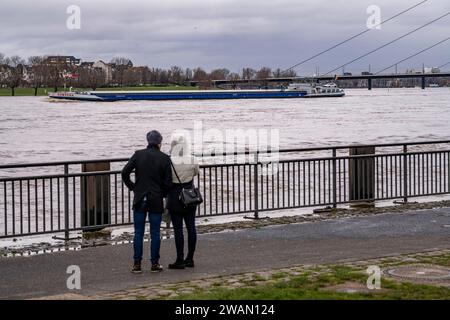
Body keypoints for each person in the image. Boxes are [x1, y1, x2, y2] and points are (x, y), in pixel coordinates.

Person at [122, 130, 172, 274]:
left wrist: (133, 188)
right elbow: (168, 183)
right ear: (159, 143)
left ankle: (137, 264)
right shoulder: (164, 158)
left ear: (147, 141)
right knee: (155, 232)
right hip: (155, 199)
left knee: (138, 232)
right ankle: (154, 264)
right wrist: (161, 193)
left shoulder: (138, 155)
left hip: (140, 198)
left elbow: (124, 173)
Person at [166, 135, 200, 269]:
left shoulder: (169, 161)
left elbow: (167, 178)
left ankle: (179, 259)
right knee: (191, 227)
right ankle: (190, 258)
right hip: (189, 196)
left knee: (178, 230)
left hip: (174, 197)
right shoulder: (192, 159)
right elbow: (196, 172)